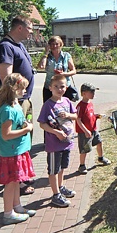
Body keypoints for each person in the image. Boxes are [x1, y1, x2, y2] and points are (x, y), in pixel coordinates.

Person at [0, 73, 37, 224]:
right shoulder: (7, 110)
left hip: (18, 150)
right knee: (11, 184)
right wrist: (26, 130)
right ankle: (8, 213)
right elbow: (6, 134)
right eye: (22, 88)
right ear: (14, 89)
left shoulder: (16, 105)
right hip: (11, 153)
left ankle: (17, 207)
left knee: (16, 182)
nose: (25, 91)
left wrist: (25, 124)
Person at [37, 73, 78, 208]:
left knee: (62, 167)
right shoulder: (48, 105)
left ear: (66, 88)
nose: (59, 89)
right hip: (54, 145)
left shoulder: (66, 101)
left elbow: (75, 116)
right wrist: (56, 132)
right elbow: (42, 124)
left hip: (66, 142)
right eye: (56, 87)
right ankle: (55, 195)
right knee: (53, 170)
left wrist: (69, 115)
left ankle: (60, 187)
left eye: (62, 87)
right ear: (50, 88)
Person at [0, 16, 36, 118]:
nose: (31, 32)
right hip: (12, 103)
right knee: (15, 133)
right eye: (29, 28)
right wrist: (14, 101)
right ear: (19, 28)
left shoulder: (19, 45)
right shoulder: (5, 47)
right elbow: (7, 79)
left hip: (23, 99)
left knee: (25, 133)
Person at [75, 82, 110, 173]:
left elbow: (90, 115)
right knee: (84, 149)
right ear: (84, 93)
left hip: (93, 129)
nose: (93, 94)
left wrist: (97, 116)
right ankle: (82, 165)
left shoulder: (90, 103)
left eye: (93, 92)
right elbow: (78, 120)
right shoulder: (80, 106)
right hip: (84, 132)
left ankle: (101, 157)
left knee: (99, 142)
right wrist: (85, 131)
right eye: (91, 92)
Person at [39, 35, 78, 103]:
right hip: (50, 88)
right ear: (49, 46)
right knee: (49, 109)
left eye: (56, 44)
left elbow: (73, 71)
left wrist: (64, 74)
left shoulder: (66, 56)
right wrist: (46, 53)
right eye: (52, 44)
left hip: (63, 87)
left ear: (61, 44)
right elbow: (41, 66)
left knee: (64, 108)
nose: (54, 46)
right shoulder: (47, 57)